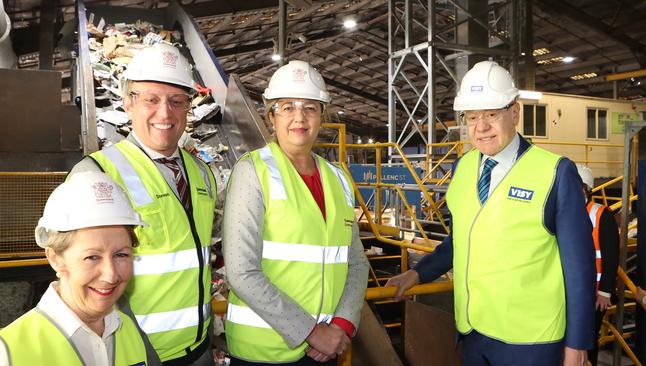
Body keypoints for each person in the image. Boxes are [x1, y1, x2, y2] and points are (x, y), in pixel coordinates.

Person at [385, 61, 595, 366]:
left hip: (531, 341)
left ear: (515, 112)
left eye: (491, 115)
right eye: (472, 117)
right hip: (474, 333)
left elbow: (579, 267)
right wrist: (418, 272)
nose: (481, 127)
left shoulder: (555, 172)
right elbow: (463, 239)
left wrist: (577, 344)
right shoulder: (464, 168)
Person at [70, 43, 218, 365]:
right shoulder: (97, 176)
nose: (164, 113)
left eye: (176, 101)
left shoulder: (203, 174)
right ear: (127, 103)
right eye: (151, 99)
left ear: (189, 107)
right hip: (134, 353)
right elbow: (81, 280)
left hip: (199, 347)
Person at [222, 60, 369, 365]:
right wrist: (311, 331)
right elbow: (241, 272)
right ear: (270, 116)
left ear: (322, 115)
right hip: (263, 353)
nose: (299, 117)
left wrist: (341, 325)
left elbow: (355, 262)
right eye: (287, 107)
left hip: (325, 349)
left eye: (310, 107)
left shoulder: (338, 178)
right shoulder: (253, 172)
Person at [0, 172, 150, 365]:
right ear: (55, 259)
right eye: (92, 257)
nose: (111, 275)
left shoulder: (127, 329)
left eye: (121, 254)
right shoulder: (10, 352)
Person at [576, 165, 620, 365]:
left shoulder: (601, 214)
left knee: (587, 339)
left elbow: (611, 256)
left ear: (586, 189)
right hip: (570, 291)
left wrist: (605, 292)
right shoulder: (565, 211)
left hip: (594, 294)